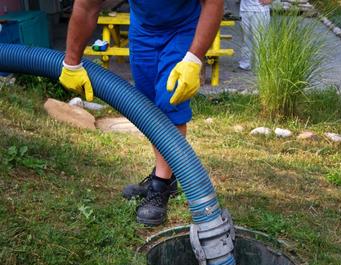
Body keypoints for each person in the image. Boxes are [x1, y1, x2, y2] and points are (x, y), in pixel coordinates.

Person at [59, 0, 224, 226]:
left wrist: (194, 58)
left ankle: (160, 185)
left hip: (183, 27)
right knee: (147, 108)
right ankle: (165, 174)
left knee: (170, 101)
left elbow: (214, 3)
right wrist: (71, 63)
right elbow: (86, 7)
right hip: (143, 29)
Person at [239, 0, 271, 71]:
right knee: (245, 38)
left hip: (260, 10)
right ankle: (246, 63)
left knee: (260, 40)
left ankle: (261, 65)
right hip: (244, 10)